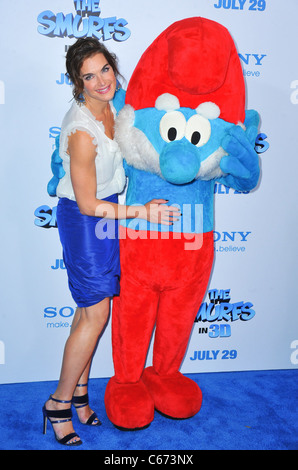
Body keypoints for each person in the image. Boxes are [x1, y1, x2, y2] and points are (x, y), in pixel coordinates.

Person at [42, 37, 180, 447]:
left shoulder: (114, 108)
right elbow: (86, 203)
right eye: (89, 75)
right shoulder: (82, 132)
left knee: (88, 314)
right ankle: (58, 403)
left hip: (107, 213)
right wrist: (141, 213)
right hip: (87, 221)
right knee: (96, 317)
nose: (101, 80)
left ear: (113, 68)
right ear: (76, 81)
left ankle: (80, 394)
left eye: (104, 69)